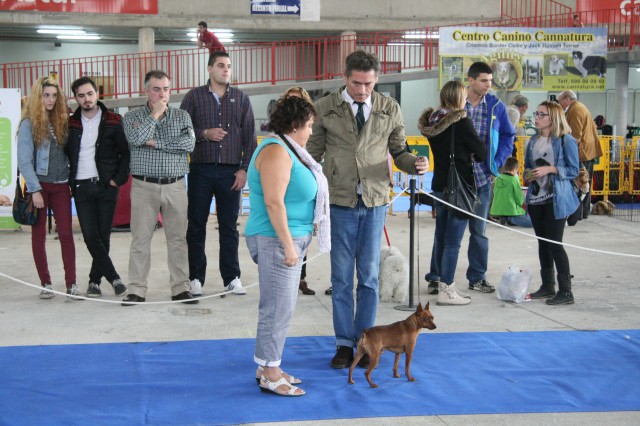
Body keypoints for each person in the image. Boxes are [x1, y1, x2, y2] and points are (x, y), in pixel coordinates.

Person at [306, 50, 429, 369]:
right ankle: (343, 344)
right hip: (339, 203)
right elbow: (311, 156)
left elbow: (399, 151)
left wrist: (414, 163)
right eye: (356, 84)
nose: (362, 90)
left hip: (375, 203)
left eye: (369, 84)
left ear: (377, 80)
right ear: (345, 77)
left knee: (370, 279)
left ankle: (366, 343)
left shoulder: (390, 107)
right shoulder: (325, 108)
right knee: (341, 279)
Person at [246, 95, 329, 397]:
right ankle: (270, 373)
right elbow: (273, 202)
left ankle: (268, 365)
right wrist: (289, 247)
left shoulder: (288, 149)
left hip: (289, 237)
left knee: (282, 307)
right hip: (276, 240)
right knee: (277, 308)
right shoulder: (276, 152)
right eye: (308, 126)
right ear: (295, 125)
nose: (311, 132)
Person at [180, 51, 257, 297]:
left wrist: (244, 169)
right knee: (196, 226)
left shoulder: (241, 99)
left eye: (229, 66)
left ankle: (232, 278)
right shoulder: (193, 97)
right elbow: (181, 131)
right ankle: (195, 278)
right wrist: (204, 134)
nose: (226, 70)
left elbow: (250, 138)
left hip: (231, 172)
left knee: (229, 227)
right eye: (221, 65)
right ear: (209, 69)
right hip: (200, 170)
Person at [121, 70, 197, 306]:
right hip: (144, 186)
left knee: (178, 239)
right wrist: (154, 115)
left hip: (175, 186)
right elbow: (136, 139)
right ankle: (136, 289)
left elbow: (189, 144)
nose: (162, 94)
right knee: (140, 239)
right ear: (146, 91)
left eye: (166, 89)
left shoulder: (182, 116)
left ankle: (181, 288)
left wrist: (156, 143)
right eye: (156, 89)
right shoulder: (132, 117)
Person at [417, 80, 486, 306]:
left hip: (439, 185)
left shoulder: (433, 122)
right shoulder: (461, 122)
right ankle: (447, 289)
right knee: (453, 242)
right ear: (459, 98)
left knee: (441, 236)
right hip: (459, 187)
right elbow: (482, 153)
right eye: (464, 96)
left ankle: (437, 280)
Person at [66, 76, 130, 298]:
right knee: (90, 236)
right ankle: (114, 278)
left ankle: (94, 282)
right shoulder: (70, 124)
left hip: (106, 186)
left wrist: (117, 180)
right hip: (81, 186)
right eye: (81, 95)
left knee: (103, 236)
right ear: (76, 98)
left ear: (97, 94)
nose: (86, 99)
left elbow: (126, 153)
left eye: (90, 94)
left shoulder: (114, 120)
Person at [17, 76, 78, 299]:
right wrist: (34, 190)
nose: (50, 100)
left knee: (66, 235)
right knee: (39, 236)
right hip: (39, 187)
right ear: (37, 97)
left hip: (61, 186)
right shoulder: (29, 124)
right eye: (46, 95)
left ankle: (71, 284)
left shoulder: (63, 121)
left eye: (54, 95)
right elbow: (24, 161)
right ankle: (46, 283)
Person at [463, 61, 515, 294]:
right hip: (457, 180)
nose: (488, 85)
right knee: (448, 234)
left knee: (479, 232)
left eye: (490, 81)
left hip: (483, 179)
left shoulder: (496, 107)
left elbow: (507, 135)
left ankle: (477, 277)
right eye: (484, 81)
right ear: (471, 80)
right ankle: (437, 277)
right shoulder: (456, 103)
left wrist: (496, 161)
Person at [524, 101, 580, 305]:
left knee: (555, 243)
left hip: (556, 199)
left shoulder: (566, 140)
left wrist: (551, 169)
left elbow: (574, 170)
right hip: (536, 198)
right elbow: (527, 168)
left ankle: (566, 292)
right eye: (536, 113)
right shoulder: (532, 141)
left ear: (553, 117)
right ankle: (548, 286)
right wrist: (528, 175)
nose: (537, 117)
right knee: (543, 243)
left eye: (542, 114)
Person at [280, 86, 317, 296]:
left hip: (302, 208)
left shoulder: (307, 138)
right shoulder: (278, 144)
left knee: (304, 240)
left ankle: (300, 278)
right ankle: (288, 277)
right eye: (289, 101)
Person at [557, 90, 602, 220]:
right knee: (585, 183)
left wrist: (565, 149)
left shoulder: (575, 110)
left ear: (567, 99)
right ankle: (583, 212)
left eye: (560, 101)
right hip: (587, 152)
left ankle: (577, 214)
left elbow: (575, 136)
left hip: (581, 153)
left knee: (579, 183)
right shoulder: (580, 107)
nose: (559, 104)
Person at [489, 157, 532, 227]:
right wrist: (524, 205)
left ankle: (503, 218)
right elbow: (519, 198)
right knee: (532, 222)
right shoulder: (513, 180)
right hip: (511, 211)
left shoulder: (498, 178)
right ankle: (509, 219)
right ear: (514, 170)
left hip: (497, 210)